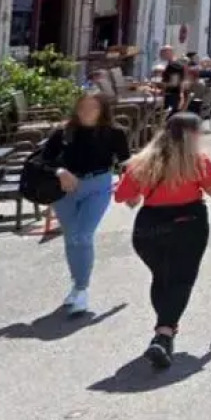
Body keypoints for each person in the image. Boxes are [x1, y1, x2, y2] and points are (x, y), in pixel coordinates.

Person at [114, 113, 211, 368]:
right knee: (181, 279)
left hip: (148, 227)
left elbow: (123, 196)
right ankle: (164, 334)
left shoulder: (142, 161)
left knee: (162, 277)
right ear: (192, 134)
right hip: (187, 223)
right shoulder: (196, 160)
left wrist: (138, 195)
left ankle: (163, 331)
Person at [40, 92, 131, 315]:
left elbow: (126, 162)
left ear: (102, 110)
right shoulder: (63, 132)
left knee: (82, 235)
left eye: (93, 108)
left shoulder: (114, 132)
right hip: (64, 189)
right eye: (82, 107)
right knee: (71, 238)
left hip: (97, 186)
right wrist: (60, 171)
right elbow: (43, 160)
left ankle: (82, 289)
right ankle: (76, 283)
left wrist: (131, 190)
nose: (86, 112)